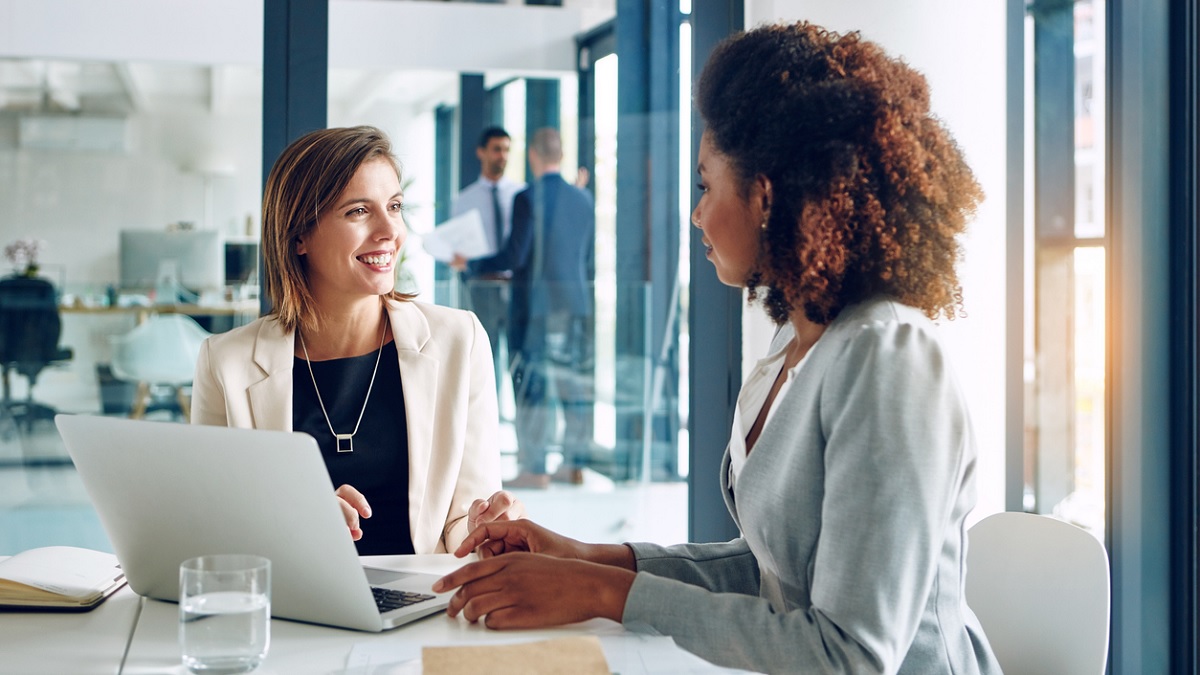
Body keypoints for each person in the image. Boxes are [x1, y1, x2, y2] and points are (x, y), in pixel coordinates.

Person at [433, 22, 1002, 674]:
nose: (697, 214)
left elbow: (850, 655)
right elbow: (769, 570)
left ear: (765, 196)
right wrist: (584, 558)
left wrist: (601, 593)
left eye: (706, 186)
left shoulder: (889, 359)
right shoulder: (798, 343)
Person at [191, 125, 524, 555]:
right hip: (295, 607)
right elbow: (214, 528)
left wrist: (483, 528)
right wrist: (297, 522)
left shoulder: (460, 341)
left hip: (423, 608)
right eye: (359, 212)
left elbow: (461, 521)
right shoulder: (226, 362)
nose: (390, 231)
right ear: (298, 237)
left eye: (395, 206)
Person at [472, 127, 595, 489]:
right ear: (561, 154)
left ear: (533, 155)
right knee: (571, 383)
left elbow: (515, 255)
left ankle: (535, 467)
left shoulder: (528, 198)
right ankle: (574, 464)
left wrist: (473, 264)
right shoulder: (584, 199)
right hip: (575, 304)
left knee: (532, 384)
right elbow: (582, 256)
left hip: (537, 306)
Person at [449, 127, 525, 396]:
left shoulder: (522, 194)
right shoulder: (464, 200)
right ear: (482, 152)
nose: (502, 156)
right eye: (496, 149)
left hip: (518, 287)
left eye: (506, 149)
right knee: (484, 358)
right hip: (482, 288)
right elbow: (456, 247)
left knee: (521, 362)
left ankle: (524, 434)